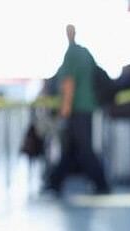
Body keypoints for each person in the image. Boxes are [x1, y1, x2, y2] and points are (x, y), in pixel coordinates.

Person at [46, 24, 110, 195]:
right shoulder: (85, 53)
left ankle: (102, 184)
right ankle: (54, 182)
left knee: (84, 148)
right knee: (71, 148)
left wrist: (64, 111)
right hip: (86, 107)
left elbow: (68, 83)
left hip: (78, 109)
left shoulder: (72, 54)